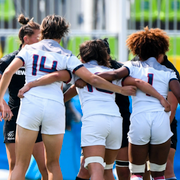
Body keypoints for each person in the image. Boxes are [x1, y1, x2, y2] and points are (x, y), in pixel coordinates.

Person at [0, 15, 137, 180]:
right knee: (53, 164)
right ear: (63, 33)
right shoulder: (67, 55)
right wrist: (120, 90)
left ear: (42, 30)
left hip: (31, 104)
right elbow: (92, 79)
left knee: (20, 165)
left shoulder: (29, 49)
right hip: (55, 108)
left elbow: (7, 72)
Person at [17, 38, 170, 180]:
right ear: (105, 56)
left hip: (95, 121)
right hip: (116, 122)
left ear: (82, 57)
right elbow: (138, 81)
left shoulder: (79, 71)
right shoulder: (113, 73)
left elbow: (56, 76)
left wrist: (31, 85)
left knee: (95, 169)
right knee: (107, 170)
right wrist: (161, 98)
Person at [92, 27, 180, 180]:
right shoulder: (169, 72)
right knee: (160, 174)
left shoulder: (131, 67)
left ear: (137, 50)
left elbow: (114, 74)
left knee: (137, 173)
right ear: (161, 51)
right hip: (161, 120)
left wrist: (88, 74)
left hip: (140, 120)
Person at [0, 14, 48, 180]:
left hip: (36, 117)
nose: (42, 42)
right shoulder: (8, 61)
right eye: (38, 38)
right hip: (14, 116)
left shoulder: (43, 62)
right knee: (16, 165)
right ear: (26, 39)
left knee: (45, 167)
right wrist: (2, 103)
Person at [131, 54, 180, 180]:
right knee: (147, 170)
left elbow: (172, 106)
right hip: (150, 123)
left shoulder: (168, 69)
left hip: (161, 123)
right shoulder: (137, 61)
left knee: (165, 168)